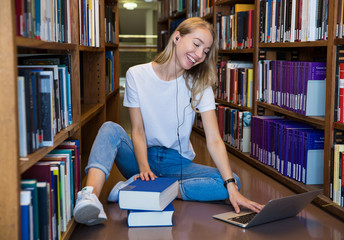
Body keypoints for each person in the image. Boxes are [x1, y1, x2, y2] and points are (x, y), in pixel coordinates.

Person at [73, 17, 263, 226]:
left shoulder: (200, 84)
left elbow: (214, 140)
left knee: (232, 181)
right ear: (177, 37)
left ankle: (146, 190)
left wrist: (231, 187)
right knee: (110, 128)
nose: (200, 55)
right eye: (196, 44)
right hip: (141, 159)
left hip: (178, 163)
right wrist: (144, 167)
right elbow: (137, 130)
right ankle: (89, 197)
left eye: (206, 51)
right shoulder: (136, 74)